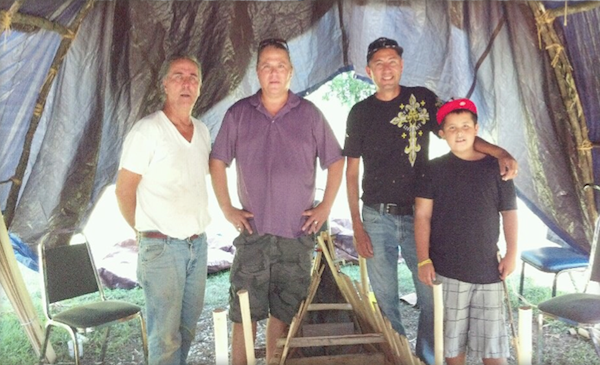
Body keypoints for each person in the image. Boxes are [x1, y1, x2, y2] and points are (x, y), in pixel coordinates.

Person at [343, 37, 518, 365]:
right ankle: (394, 356)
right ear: (368, 71)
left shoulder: (421, 100)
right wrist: (356, 224)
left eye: (392, 60)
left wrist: (499, 152)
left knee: (431, 291)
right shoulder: (360, 112)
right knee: (385, 297)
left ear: (402, 65)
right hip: (376, 216)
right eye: (378, 63)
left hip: (419, 214)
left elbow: (457, 129)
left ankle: (426, 357)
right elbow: (351, 173)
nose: (386, 68)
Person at [209, 38, 344, 365]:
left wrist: (325, 206)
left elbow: (336, 161)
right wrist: (227, 208)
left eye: (280, 66)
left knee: (284, 314)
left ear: (291, 72)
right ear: (257, 72)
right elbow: (217, 161)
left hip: (296, 237)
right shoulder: (239, 113)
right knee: (245, 314)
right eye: (267, 65)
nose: (274, 72)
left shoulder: (309, 114)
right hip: (253, 235)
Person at [115, 55, 211, 365]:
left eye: (193, 76)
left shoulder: (202, 132)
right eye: (179, 75)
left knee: (188, 328)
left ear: (199, 87)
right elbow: (124, 190)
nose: (187, 82)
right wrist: (145, 232)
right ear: (165, 84)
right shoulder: (147, 131)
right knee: (165, 336)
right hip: (162, 247)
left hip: (198, 245)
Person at [415, 98, 518, 365]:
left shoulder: (498, 168)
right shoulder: (433, 169)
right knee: (452, 344)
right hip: (447, 270)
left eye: (465, 126)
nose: (459, 133)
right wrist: (423, 259)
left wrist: (512, 254)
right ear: (442, 134)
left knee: (494, 347)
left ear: (476, 129)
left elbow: (510, 214)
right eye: (451, 128)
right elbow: (422, 216)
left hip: (488, 270)